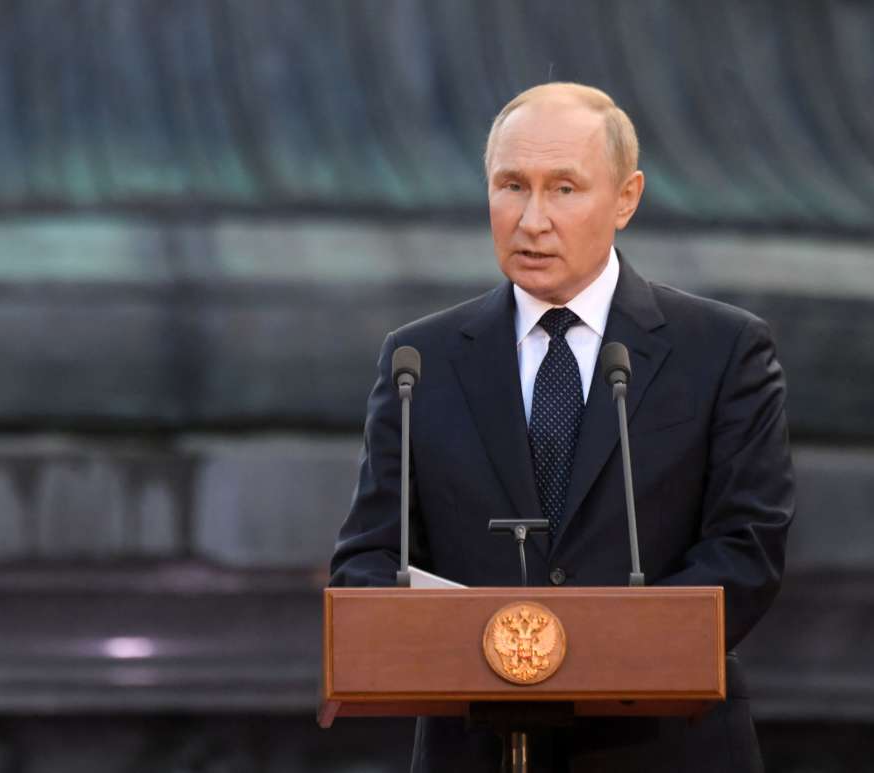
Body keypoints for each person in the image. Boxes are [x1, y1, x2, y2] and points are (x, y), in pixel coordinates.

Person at [329, 82, 794, 773]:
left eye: (565, 189)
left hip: (663, 748)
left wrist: (581, 648)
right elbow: (367, 562)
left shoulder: (722, 351)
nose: (532, 219)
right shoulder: (418, 361)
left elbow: (746, 548)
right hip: (477, 749)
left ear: (627, 198)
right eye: (512, 185)